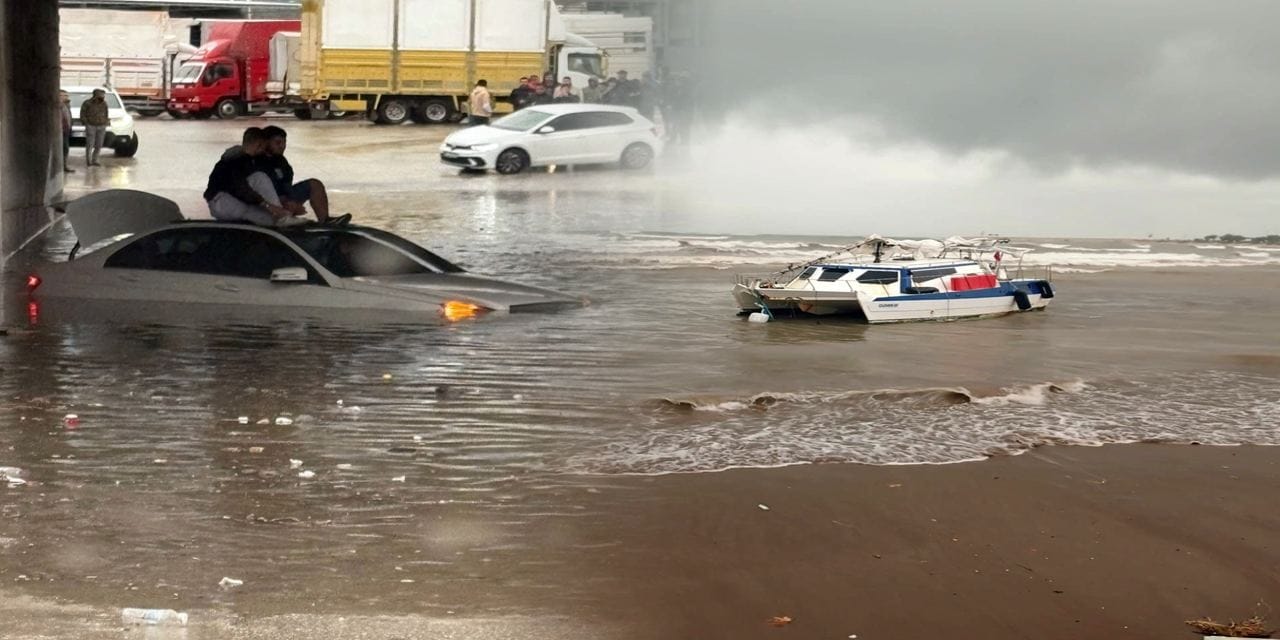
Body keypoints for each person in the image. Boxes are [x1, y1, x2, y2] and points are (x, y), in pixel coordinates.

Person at [204, 127, 296, 227]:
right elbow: (241, 188)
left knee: (270, 221)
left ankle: (281, 218)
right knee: (260, 178)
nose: (263, 151)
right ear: (259, 145)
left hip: (231, 201)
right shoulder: (235, 160)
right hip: (221, 200)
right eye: (263, 147)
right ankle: (282, 217)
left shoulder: (246, 159)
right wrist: (268, 206)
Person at [259, 126, 349, 226]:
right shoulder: (258, 161)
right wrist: (284, 202)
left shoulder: (282, 162)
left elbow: (287, 186)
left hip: (284, 198)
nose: (282, 146)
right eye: (278, 143)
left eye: (284, 143)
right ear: (266, 142)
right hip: (265, 202)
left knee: (315, 184)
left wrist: (292, 201)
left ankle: (325, 221)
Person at [79, 88, 110, 167]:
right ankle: (89, 161)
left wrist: (105, 122)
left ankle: (95, 160)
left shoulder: (104, 104)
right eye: (101, 94)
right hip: (91, 125)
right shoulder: (87, 103)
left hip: (101, 126)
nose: (103, 96)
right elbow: (82, 114)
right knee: (90, 144)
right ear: (96, 95)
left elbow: (106, 114)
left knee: (99, 144)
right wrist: (86, 123)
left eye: (103, 95)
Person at [59, 91, 74, 173]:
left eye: (67, 95)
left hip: (66, 130)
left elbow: (68, 117)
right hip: (59, 130)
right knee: (60, 149)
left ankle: (64, 165)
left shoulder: (66, 105)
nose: (66, 97)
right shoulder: (57, 105)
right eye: (64, 95)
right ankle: (58, 166)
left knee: (65, 148)